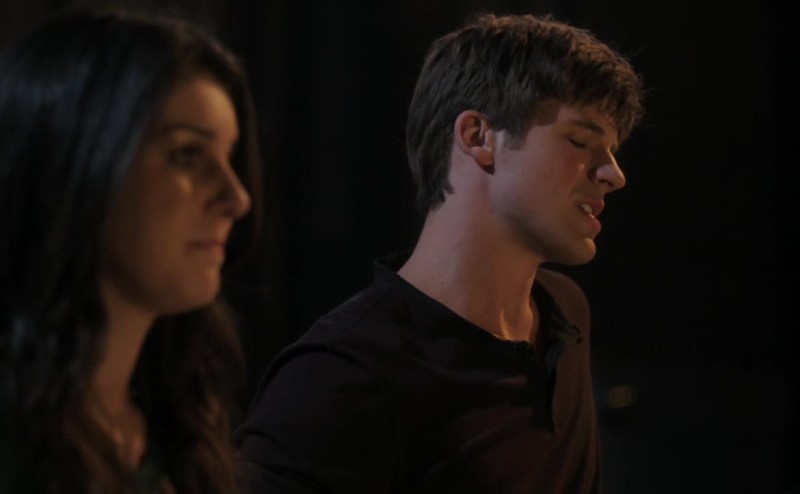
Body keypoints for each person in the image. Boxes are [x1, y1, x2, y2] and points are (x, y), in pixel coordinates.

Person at [236, 12, 643, 494]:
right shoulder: (339, 378)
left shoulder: (565, 314)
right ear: (477, 137)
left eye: (612, 151)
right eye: (580, 140)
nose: (614, 174)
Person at [0, 8, 262, 493]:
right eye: (188, 155)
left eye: (229, 157)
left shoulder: (174, 421)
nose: (237, 198)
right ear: (76, 161)